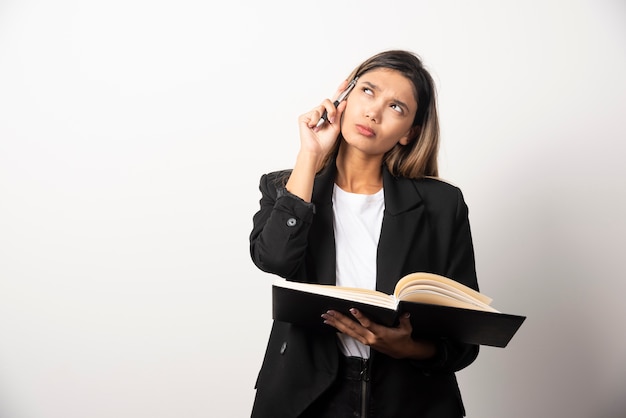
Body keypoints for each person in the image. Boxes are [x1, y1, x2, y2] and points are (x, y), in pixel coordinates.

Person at [249, 49, 480, 418]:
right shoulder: (287, 187)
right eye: (368, 92)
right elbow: (274, 258)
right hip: (306, 398)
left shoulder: (442, 205)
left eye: (396, 108)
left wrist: (409, 348)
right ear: (344, 97)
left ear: (410, 133)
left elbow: (464, 339)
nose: (374, 111)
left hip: (408, 399)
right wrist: (309, 155)